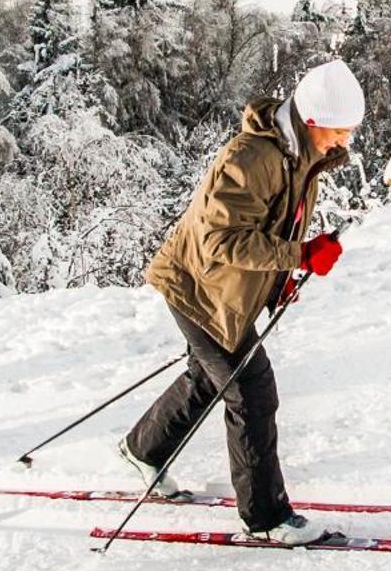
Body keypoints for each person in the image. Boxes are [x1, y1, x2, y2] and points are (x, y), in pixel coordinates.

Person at [120, 58, 362, 545]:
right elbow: (220, 241)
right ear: (313, 121)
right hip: (199, 286)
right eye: (340, 131)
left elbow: (266, 229)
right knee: (251, 389)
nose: (345, 142)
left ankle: (143, 450)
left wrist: (281, 279)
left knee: (210, 377)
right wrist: (300, 255)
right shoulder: (253, 157)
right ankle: (265, 517)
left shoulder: (300, 156)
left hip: (223, 288)